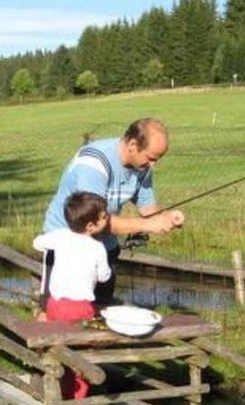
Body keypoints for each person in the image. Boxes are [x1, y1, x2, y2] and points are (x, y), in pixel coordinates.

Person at [40, 117, 184, 309]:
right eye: (151, 158)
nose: (153, 165)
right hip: (67, 247)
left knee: (100, 311)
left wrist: (167, 217)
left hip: (103, 247)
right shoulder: (93, 164)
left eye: (157, 160)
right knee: (53, 313)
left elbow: (148, 209)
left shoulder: (142, 167)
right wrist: (148, 225)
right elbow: (93, 221)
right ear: (133, 144)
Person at [33, 191, 111, 403]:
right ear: (90, 226)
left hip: (55, 305)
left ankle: (55, 393)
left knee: (57, 348)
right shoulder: (98, 247)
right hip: (80, 308)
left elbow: (37, 243)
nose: (108, 218)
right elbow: (104, 277)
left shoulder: (60, 236)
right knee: (82, 356)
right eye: (104, 216)